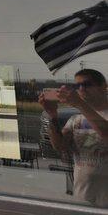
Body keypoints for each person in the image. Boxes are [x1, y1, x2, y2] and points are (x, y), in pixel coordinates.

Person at [39, 69, 108, 207]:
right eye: (77, 86)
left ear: (103, 86)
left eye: (87, 84)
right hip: (83, 197)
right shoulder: (75, 119)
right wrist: (52, 116)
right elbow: (59, 146)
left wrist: (80, 104)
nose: (82, 89)